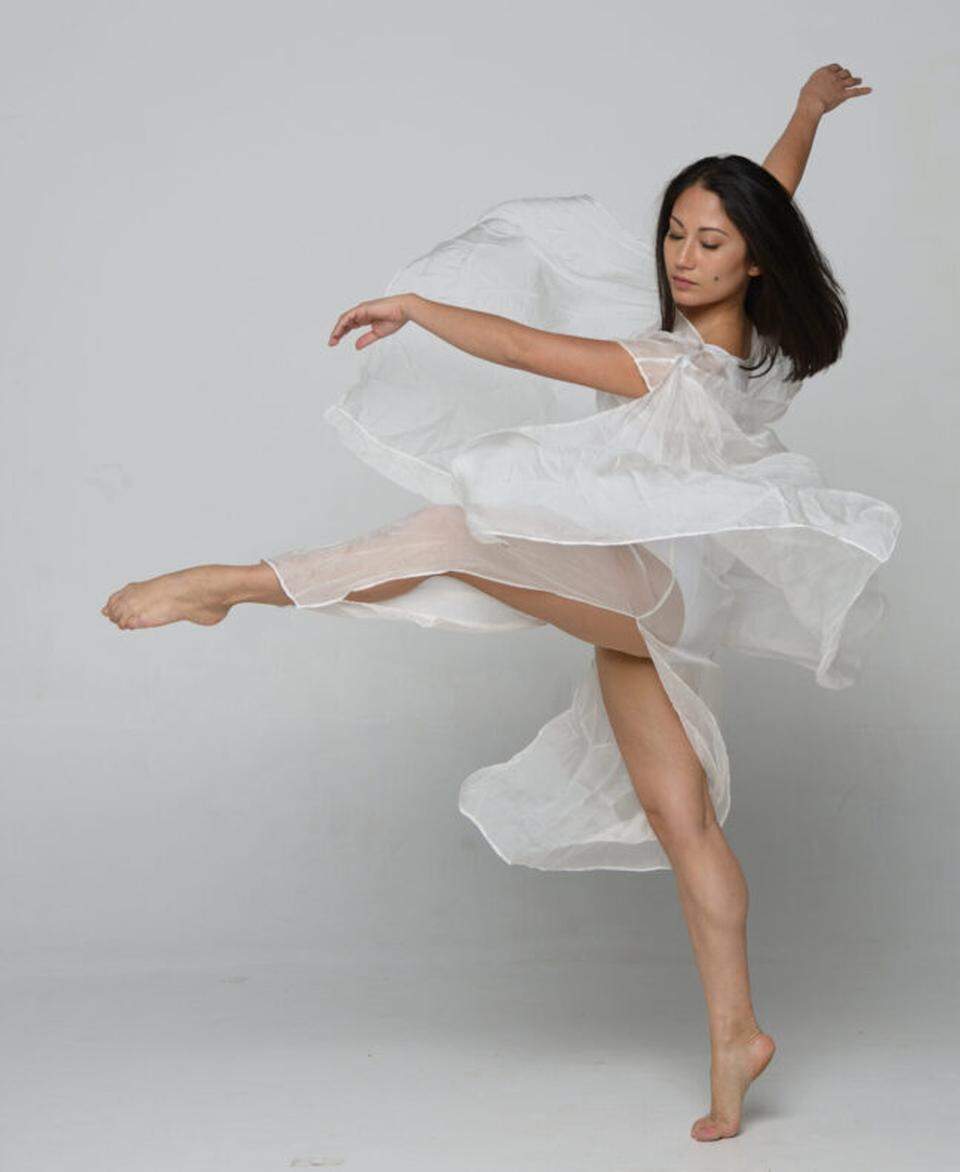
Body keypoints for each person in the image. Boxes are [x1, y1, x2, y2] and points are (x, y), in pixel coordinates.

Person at [101, 64, 897, 1142]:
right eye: (675, 231)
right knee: (681, 815)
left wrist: (418, 306)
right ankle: (737, 1034)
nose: (682, 254)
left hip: (657, 587)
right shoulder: (755, 341)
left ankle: (235, 586)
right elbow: (772, 191)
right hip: (661, 592)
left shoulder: (676, 365)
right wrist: (804, 115)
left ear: (753, 258)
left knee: (462, 534)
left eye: (710, 242)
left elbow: (528, 346)